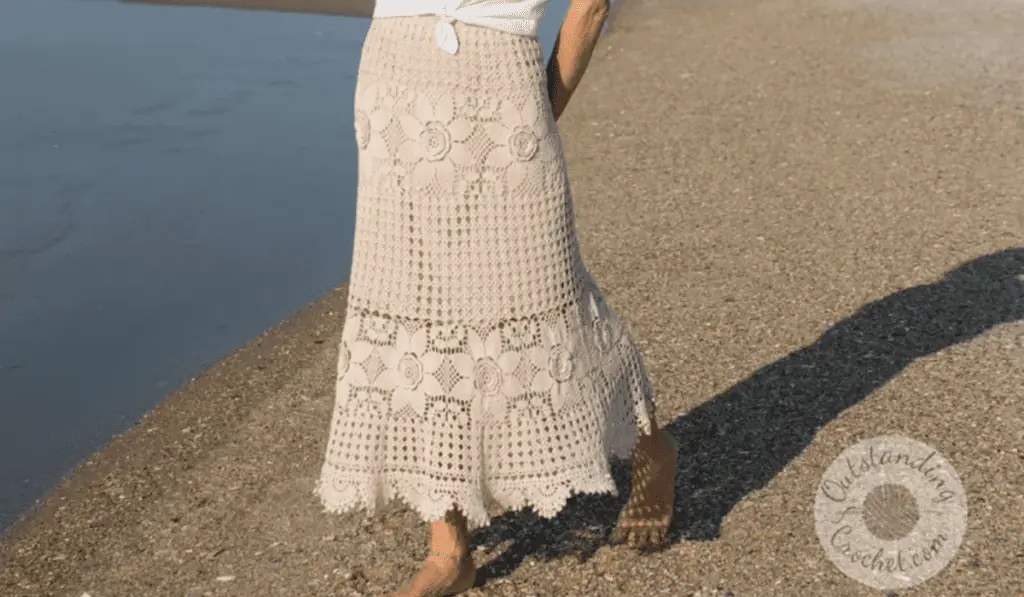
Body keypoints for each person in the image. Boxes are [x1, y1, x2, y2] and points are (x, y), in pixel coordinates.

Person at [315, 0, 679, 594]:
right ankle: (449, 548)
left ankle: (650, 445)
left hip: (502, 88)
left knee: (545, 294)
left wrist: (542, 107)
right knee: (416, 302)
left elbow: (590, 6)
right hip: (394, 87)